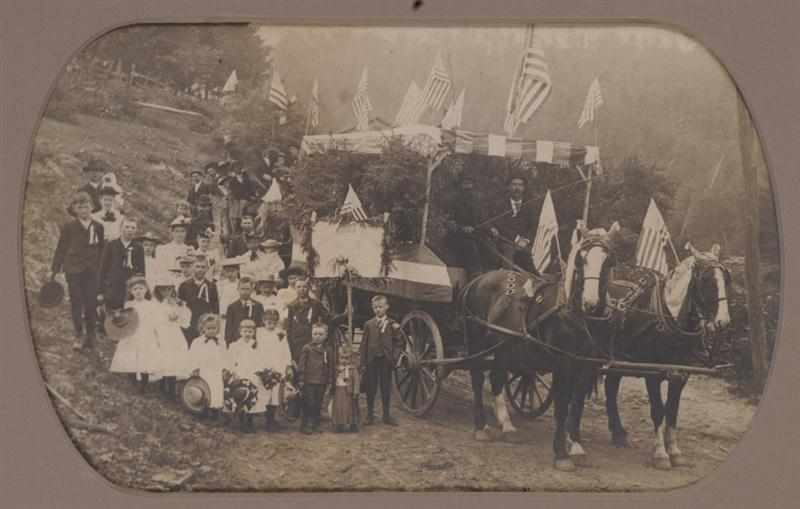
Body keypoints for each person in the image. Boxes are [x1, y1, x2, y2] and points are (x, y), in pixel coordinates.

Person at [51, 191, 105, 350]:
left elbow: (102, 249)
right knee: (76, 302)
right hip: (73, 269)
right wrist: (54, 269)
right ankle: (78, 334)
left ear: (92, 207)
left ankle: (91, 335)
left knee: (91, 302)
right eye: (80, 207)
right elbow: (61, 248)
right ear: (74, 209)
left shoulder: (98, 227)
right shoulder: (69, 227)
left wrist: (101, 269)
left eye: (86, 206)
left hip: (92, 270)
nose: (83, 210)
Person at [109, 275, 162, 393]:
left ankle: (143, 385)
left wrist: (156, 334)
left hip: (146, 333)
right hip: (131, 334)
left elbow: (155, 320)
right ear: (131, 291)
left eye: (141, 288)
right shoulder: (128, 304)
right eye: (135, 289)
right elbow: (125, 319)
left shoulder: (151, 304)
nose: (138, 291)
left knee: (145, 359)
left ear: (146, 290)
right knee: (130, 357)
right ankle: (133, 382)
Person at [359, 295, 402, 426]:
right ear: (373, 308)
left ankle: (386, 415)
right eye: (375, 307)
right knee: (370, 388)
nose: (378, 310)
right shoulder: (369, 324)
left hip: (386, 361)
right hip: (372, 360)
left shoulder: (392, 324)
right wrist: (362, 362)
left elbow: (399, 342)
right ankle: (370, 415)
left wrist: (394, 357)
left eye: (381, 307)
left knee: (385, 387)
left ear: (386, 307)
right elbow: (363, 345)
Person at [486, 174, 536, 272]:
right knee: (508, 251)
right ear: (508, 187)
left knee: (533, 258)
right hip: (505, 241)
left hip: (525, 244)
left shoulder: (531, 205)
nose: (517, 188)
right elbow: (500, 225)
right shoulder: (500, 205)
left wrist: (526, 240)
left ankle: (538, 281)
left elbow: (534, 227)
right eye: (514, 184)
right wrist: (517, 239)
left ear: (524, 188)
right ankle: (506, 279)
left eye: (520, 185)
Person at [151, 278, 190, 399]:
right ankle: (163, 386)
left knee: (174, 360)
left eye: (168, 289)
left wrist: (177, 315)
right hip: (162, 333)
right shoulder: (156, 304)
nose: (166, 291)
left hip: (174, 334)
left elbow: (185, 320)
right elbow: (154, 320)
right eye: (163, 289)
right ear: (158, 290)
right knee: (164, 358)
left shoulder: (177, 303)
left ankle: (172, 390)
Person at [98, 217, 146, 316]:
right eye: (127, 227)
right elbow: (103, 269)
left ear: (136, 230)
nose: (130, 230)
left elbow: (142, 271)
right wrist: (100, 291)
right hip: (113, 288)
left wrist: (140, 288)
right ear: (121, 228)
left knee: (129, 316)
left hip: (130, 288)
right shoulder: (111, 245)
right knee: (112, 316)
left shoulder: (139, 247)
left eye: (133, 228)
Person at [226, 319, 265, 433]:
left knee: (252, 396)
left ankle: (249, 421)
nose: (248, 334)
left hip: (252, 374)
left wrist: (260, 370)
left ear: (254, 332)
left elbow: (261, 359)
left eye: (250, 331)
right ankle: (241, 420)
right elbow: (230, 360)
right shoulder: (235, 345)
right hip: (240, 373)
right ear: (240, 332)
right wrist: (232, 371)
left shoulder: (257, 345)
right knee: (240, 395)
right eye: (245, 331)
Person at [257, 309, 292, 432]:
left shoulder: (280, 334)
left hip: (277, 366)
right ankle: (263, 418)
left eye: (273, 322)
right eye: (268, 322)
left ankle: (271, 420)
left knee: (275, 394)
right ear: (263, 321)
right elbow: (255, 349)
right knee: (265, 393)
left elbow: (285, 351)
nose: (270, 324)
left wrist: (287, 366)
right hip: (264, 366)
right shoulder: (259, 333)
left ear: (277, 322)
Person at [186, 314, 226, 419]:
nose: (211, 331)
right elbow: (192, 356)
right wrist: (194, 368)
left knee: (216, 389)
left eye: (214, 328)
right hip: (204, 370)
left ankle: (215, 412)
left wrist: (225, 368)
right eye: (208, 328)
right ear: (202, 328)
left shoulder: (221, 342)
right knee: (204, 389)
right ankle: (203, 410)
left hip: (216, 370)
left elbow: (225, 356)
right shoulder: (197, 342)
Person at [297, 322, 334, 434]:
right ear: (311, 334)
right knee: (309, 403)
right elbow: (301, 365)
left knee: (318, 402)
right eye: (315, 334)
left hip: (321, 381)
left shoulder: (328, 349)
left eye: (320, 334)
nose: (317, 336)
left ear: (326, 335)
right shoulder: (307, 348)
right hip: (309, 380)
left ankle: (316, 424)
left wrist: (330, 379)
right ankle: (306, 425)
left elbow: (331, 366)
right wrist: (301, 378)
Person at [446, 174, 484, 279]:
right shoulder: (453, 200)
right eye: (465, 183)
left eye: (470, 183)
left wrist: (488, 228)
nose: (468, 186)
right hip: (457, 236)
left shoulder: (477, 202)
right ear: (460, 185)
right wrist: (462, 228)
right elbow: (449, 222)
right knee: (470, 246)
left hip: (476, 235)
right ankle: (475, 275)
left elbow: (482, 220)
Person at [178, 255, 219, 345]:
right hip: (189, 324)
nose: (200, 269)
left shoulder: (211, 286)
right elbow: (180, 307)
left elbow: (215, 308)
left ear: (207, 268)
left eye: (203, 267)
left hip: (205, 325)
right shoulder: (184, 285)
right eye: (197, 266)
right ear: (192, 267)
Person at [286, 277, 328, 362]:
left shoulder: (316, 304)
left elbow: (327, 319)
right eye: (299, 287)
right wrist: (290, 344)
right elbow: (289, 327)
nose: (302, 289)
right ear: (295, 288)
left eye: (304, 287)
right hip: (296, 343)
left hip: (311, 341)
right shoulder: (292, 306)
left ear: (308, 288)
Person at [224, 276, 265, 346]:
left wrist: (258, 342)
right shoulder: (232, 307)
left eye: (247, 289)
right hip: (237, 343)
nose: (245, 292)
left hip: (253, 342)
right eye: (242, 289)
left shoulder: (258, 306)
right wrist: (229, 344)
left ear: (252, 290)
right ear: (238, 289)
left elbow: (260, 326)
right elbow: (229, 329)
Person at [331, 341, 360, 433]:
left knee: (350, 408)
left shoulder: (352, 369)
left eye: (346, 358)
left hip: (349, 392)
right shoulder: (336, 369)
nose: (344, 360)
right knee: (339, 408)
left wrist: (356, 391)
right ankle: (339, 424)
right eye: (342, 358)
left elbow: (356, 381)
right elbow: (332, 379)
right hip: (339, 391)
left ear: (351, 358)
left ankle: (353, 424)